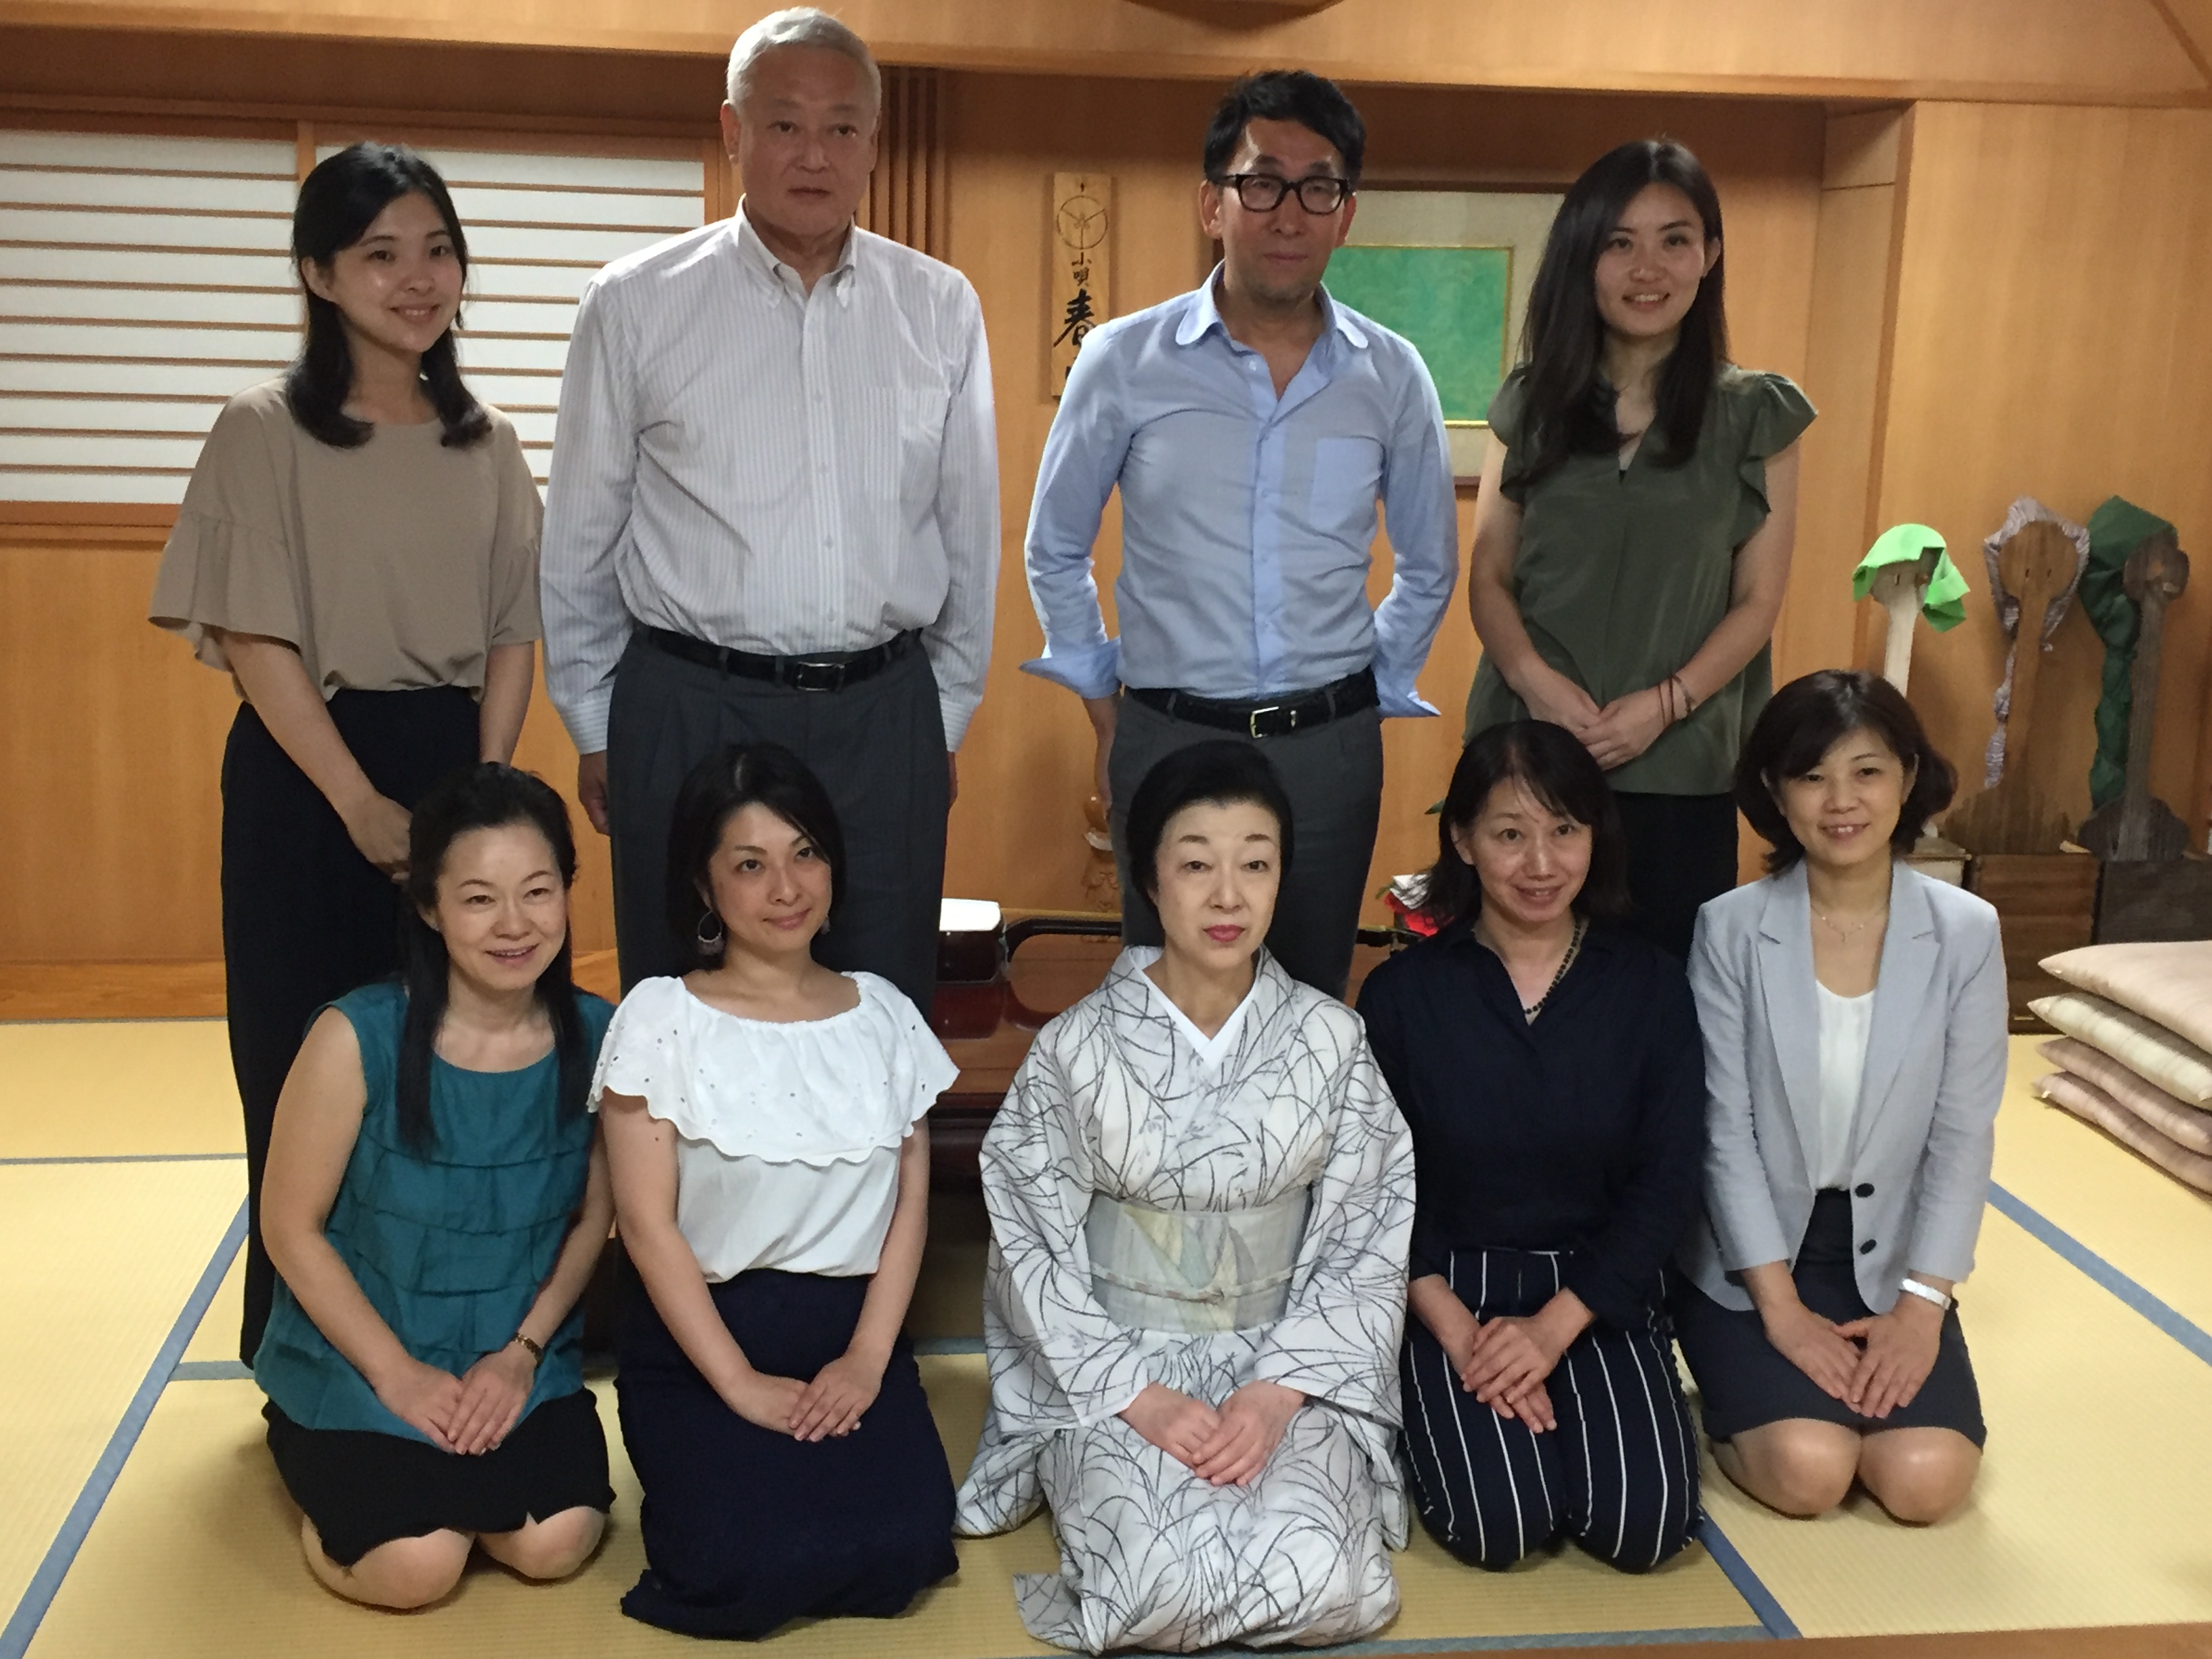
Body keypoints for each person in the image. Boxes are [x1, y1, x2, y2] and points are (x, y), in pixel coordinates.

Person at [148, 143, 544, 1363]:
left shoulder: (487, 441)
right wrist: (359, 802)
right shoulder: (261, 430)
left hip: (452, 764)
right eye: (380, 255)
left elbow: (513, 631)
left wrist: (485, 796)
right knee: (302, 1050)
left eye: (438, 251)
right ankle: (305, 1347)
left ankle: (455, 1323)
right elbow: (252, 637)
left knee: (459, 1054)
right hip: (307, 773)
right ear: (319, 274)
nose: (417, 280)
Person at [541, 6, 998, 1011]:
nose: (814, 154)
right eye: (785, 124)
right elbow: (579, 534)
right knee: (685, 1001)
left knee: (880, 997)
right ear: (732, 131)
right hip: (689, 704)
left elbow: (968, 531)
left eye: (842, 127)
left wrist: (945, 715)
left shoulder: (939, 306)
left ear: (873, 142)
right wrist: (593, 719)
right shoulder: (634, 301)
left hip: (883, 711)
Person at [956, 741, 1415, 1654]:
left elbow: (1369, 1230)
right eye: (1197, 865)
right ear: (1150, 878)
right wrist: (1139, 1397)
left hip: (1288, 1360)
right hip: (1116, 1367)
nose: (1228, 896)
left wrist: (1276, 1393)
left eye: (1256, 865)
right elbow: (1029, 1247)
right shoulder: (1076, 1049)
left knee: (1326, 1581)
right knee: (1152, 1587)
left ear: (1282, 878)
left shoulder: (1331, 1039)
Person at [1022, 69, 1458, 1000]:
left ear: (1346, 213)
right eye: (1260, 184)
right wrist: (1106, 706)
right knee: (1171, 1004)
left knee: (1308, 1004)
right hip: (1169, 733)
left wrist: (1363, 698)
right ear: (1212, 204)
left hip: (1328, 750)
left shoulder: (1390, 375)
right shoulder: (1123, 360)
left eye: (1317, 187)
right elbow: (1054, 546)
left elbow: (1428, 566)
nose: (1287, 214)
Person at [594, 742, 958, 1637]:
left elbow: (910, 1208)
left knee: (907, 1548)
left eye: (805, 854)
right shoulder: (661, 1016)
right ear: (705, 884)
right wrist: (738, 1382)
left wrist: (868, 1357)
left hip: (849, 1333)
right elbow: (645, 1226)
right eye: (750, 865)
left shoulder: (884, 1012)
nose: (787, 888)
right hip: (703, 1339)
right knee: (743, 1567)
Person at [254, 764, 615, 1610]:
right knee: (417, 1569)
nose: (515, 924)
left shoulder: (602, 1035)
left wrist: (522, 1356)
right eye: (479, 899)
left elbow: (594, 1217)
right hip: (364, 1354)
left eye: (538, 891)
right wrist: (397, 1376)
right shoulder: (356, 1035)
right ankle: (320, 1478)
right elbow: (289, 1227)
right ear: (428, 906)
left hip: (515, 1353)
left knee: (556, 1543)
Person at [1359, 722, 1704, 1572]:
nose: (1541, 863)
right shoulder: (1402, 995)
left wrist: (1554, 1330)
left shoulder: (1650, 985)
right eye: (1510, 834)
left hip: (1596, 1288)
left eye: (1564, 830)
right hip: (1452, 1292)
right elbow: (1373, 1185)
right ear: (1462, 840)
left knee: (1643, 1531)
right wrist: (1457, 1333)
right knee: (1503, 1523)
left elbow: (1668, 1180)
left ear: (1596, 835)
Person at [1462, 139, 1816, 960]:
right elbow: (1489, 574)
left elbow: (1759, 601)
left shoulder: (1757, 414)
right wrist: (1538, 686)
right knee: (1513, 984)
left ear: (1710, 255)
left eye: (1674, 240)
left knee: (1662, 994)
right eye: (1619, 242)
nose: (1646, 268)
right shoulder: (1532, 402)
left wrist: (1665, 705)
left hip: (1681, 762)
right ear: (1583, 256)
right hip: (1527, 747)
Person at [1673, 670, 2003, 1524]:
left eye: (1867, 772)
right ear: (1776, 792)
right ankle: (1724, 1404)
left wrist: (1922, 1309)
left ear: (1908, 778)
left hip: (1894, 1256)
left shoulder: (1966, 933)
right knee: (1810, 1472)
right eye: (1813, 776)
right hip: (1757, 1257)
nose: (1842, 801)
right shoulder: (1730, 929)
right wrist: (1781, 1312)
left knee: (1924, 1482)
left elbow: (1962, 1135)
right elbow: (1724, 1135)